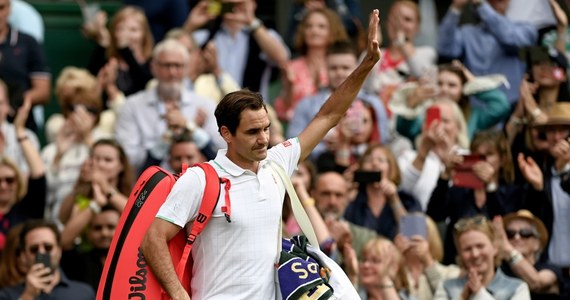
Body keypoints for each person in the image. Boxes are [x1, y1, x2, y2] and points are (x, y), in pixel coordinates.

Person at [140, 9, 382, 299]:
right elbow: (152, 238)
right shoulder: (200, 179)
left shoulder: (277, 162)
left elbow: (328, 116)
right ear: (226, 134)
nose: (264, 139)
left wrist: (366, 64)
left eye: (266, 128)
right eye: (253, 132)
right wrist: (178, 294)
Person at [115, 38, 224, 173]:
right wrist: (170, 135)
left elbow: (221, 152)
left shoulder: (205, 104)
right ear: (153, 67)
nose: (172, 73)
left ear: (186, 68)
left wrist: (189, 128)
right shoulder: (132, 106)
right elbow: (128, 159)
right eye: (166, 66)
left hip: (199, 184)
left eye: (178, 66)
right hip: (151, 186)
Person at [287, 40, 390, 161]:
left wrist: (351, 145)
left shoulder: (373, 103)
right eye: (333, 68)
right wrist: (326, 147)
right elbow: (292, 148)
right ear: (325, 69)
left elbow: (382, 142)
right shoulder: (306, 105)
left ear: (357, 68)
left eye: (345, 68)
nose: (339, 73)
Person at [437, 0, 538, 104]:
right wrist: (456, 8)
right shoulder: (467, 32)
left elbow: (509, 38)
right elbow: (445, 50)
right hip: (478, 108)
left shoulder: (526, 29)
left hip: (513, 108)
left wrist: (482, 5)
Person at [187, 0, 289, 99]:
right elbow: (176, 53)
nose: (234, 7)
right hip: (213, 108)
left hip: (252, 110)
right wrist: (190, 25)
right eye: (229, 4)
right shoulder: (204, 37)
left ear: (253, 4)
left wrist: (251, 21)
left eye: (240, 4)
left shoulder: (264, 35)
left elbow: (282, 59)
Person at [274, 7, 348, 122]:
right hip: (299, 128)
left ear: (333, 32)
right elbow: (283, 111)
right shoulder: (292, 67)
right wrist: (289, 86)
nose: (314, 31)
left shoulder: (339, 66)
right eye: (309, 26)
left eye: (321, 26)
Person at [363, 0, 437, 113]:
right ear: (388, 23)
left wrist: (401, 41)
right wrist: (373, 51)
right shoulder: (370, 54)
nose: (400, 24)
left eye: (407, 19)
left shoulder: (426, 53)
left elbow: (423, 76)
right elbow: (366, 91)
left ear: (418, 27)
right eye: (396, 18)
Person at [434, 215, 531, 300]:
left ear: (495, 247)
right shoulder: (446, 287)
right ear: (460, 254)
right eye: (467, 249)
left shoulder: (517, 288)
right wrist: (462, 297)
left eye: (480, 246)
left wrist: (479, 293)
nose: (475, 254)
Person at [0, 219, 95, 299]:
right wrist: (28, 296)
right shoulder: (7, 295)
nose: (41, 252)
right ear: (24, 255)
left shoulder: (83, 293)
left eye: (48, 247)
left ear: (59, 250)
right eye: (34, 249)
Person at [344, 143, 422, 239]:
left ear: (391, 168)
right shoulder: (354, 199)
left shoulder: (409, 200)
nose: (374, 163)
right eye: (368, 160)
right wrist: (344, 193)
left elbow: (416, 236)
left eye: (381, 160)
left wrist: (394, 200)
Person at [0, 97, 45, 252]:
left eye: (9, 180)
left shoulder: (27, 210)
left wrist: (19, 131)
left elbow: (38, 174)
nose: (3, 185)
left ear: (18, 183)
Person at [0, 0, 51, 133]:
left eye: (1, 8)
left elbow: (43, 91)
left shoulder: (28, 43)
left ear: (9, 9)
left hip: (21, 127)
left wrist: (13, 103)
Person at [494, 210, 566, 299]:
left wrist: (509, 250)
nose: (517, 237)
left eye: (525, 233)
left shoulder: (550, 269)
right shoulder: (500, 271)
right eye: (510, 234)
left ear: (537, 243)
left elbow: (536, 283)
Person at [393, 213, 461, 300]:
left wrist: (428, 261)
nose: (414, 237)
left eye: (419, 231)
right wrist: (395, 258)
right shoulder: (394, 272)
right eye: (409, 230)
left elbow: (447, 294)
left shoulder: (450, 272)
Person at [60, 207, 121, 291]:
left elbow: (141, 221)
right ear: (88, 233)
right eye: (97, 228)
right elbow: (63, 241)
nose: (104, 233)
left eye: (110, 227)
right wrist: (95, 204)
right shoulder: (79, 261)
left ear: (123, 229)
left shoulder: (133, 258)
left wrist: (110, 194)